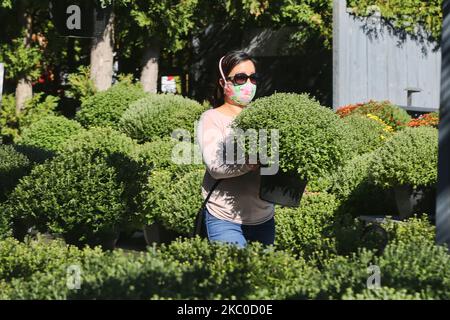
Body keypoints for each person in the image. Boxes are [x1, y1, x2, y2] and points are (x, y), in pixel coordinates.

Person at [196, 50, 275, 248]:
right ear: (223, 83)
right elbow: (215, 167)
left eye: (253, 78)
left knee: (261, 278)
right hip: (223, 218)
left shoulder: (268, 117)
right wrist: (250, 162)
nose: (248, 84)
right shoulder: (212, 118)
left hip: (264, 218)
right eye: (240, 78)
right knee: (234, 275)